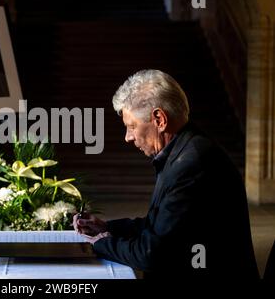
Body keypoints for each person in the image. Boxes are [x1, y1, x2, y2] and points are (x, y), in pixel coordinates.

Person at [73, 69, 259, 279]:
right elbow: (159, 226)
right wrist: (107, 227)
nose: (128, 137)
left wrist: (101, 243)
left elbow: (152, 253)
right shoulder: (184, 150)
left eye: (131, 126)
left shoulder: (192, 163)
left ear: (159, 119)